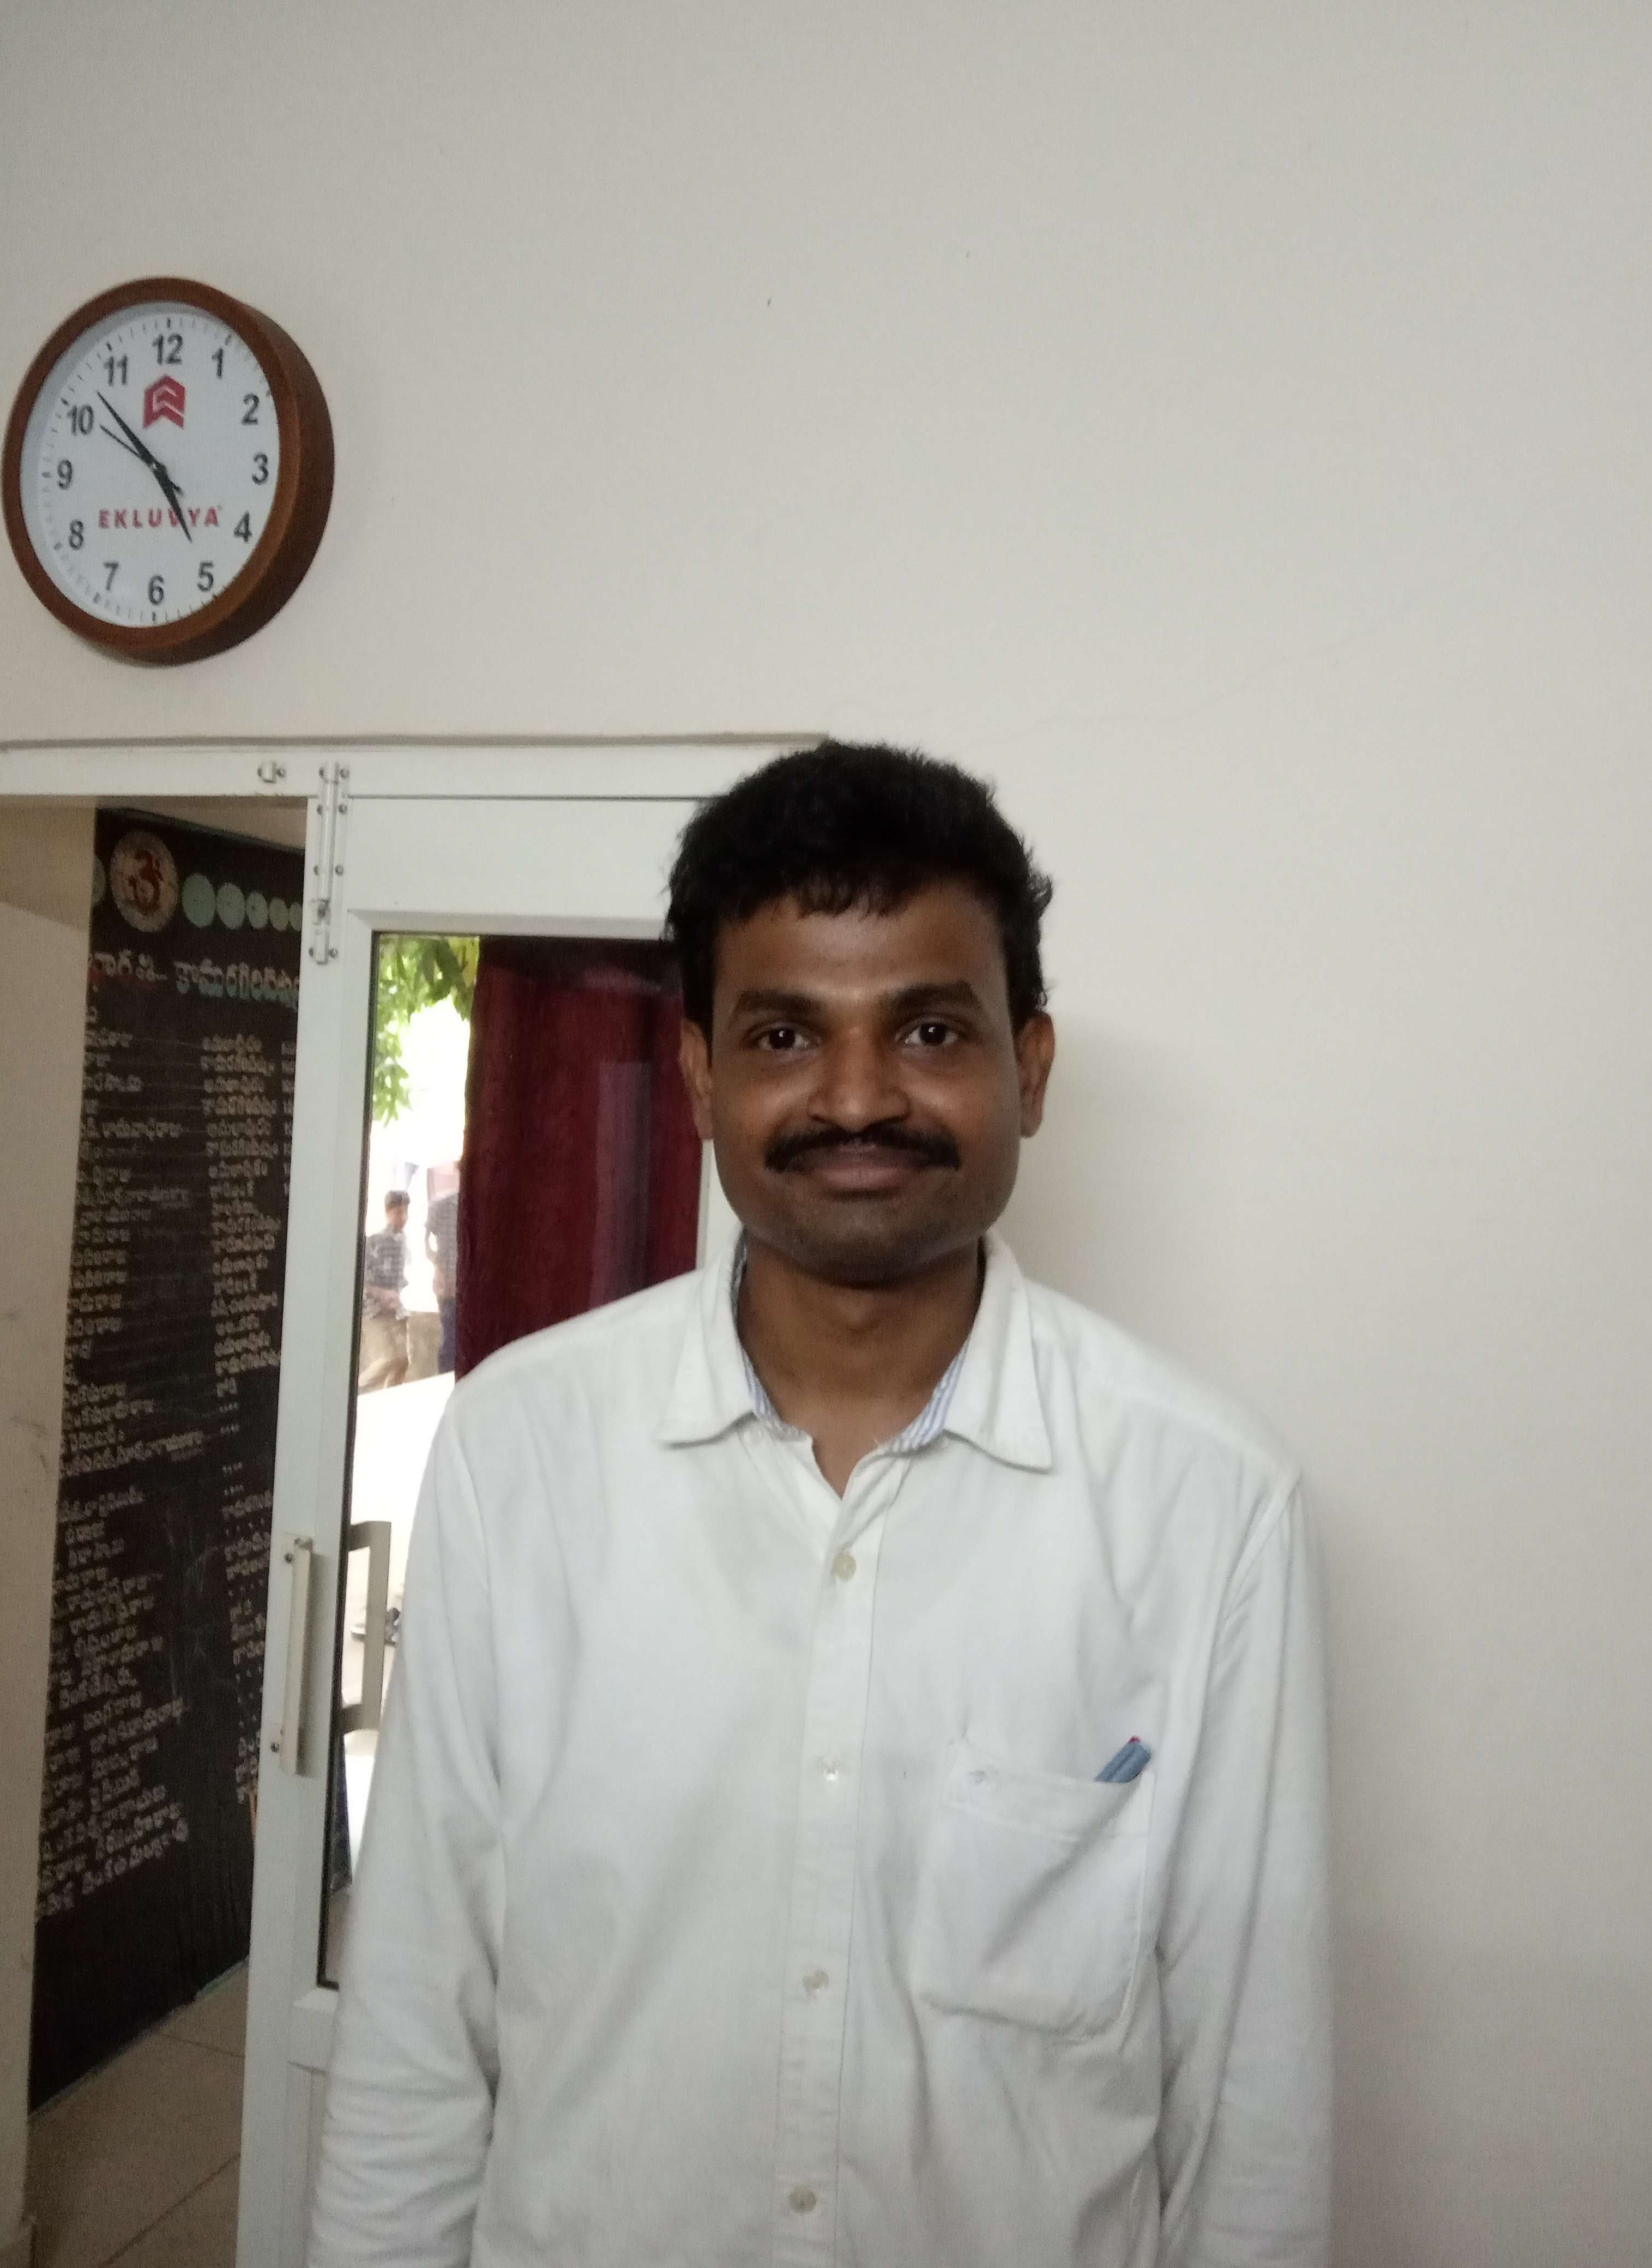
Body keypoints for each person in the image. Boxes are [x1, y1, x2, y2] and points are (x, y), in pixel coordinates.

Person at [311, 743, 1331, 2267]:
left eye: (928, 1028)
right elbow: (417, 2004)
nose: (857, 1097)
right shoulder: (522, 1447)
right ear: (701, 1077)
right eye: (786, 1034)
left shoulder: (1207, 1507)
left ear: (1029, 1067)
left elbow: (1254, 2104)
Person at [357, 1189, 411, 1391]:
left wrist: (396, 1297)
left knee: (403, 1361)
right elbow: (361, 1278)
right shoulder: (375, 1241)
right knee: (389, 1358)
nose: (403, 1218)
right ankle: (355, 1392)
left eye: (405, 1212)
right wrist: (383, 1294)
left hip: (396, 1309)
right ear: (388, 1213)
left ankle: (390, 1399)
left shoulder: (403, 1241)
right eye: (398, 1213)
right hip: (374, 1310)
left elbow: (399, 1279)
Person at [425, 1169, 460, 1376]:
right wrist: (438, 1267)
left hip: (477, 1285)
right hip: (449, 1283)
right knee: (450, 1339)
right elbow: (425, 1240)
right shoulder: (442, 1204)